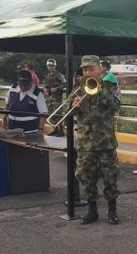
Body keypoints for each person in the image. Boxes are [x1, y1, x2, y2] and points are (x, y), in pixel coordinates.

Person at [63, 55, 121, 225]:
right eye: (85, 70)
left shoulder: (110, 87)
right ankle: (92, 211)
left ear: (99, 69)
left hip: (106, 142)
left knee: (110, 177)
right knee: (86, 177)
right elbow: (66, 110)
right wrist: (74, 105)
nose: (87, 72)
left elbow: (115, 106)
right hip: (86, 142)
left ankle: (112, 211)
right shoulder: (78, 89)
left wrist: (100, 90)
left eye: (91, 69)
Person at [4, 70, 48, 135]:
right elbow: (7, 105)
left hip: (30, 132)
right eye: (21, 85)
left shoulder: (37, 94)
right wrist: (4, 118)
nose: (23, 88)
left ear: (31, 82)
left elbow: (43, 113)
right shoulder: (12, 88)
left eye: (25, 85)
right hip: (12, 130)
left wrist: (40, 129)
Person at [43, 58, 67, 136]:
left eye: (52, 65)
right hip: (49, 98)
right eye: (49, 65)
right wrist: (45, 89)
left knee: (58, 114)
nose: (50, 67)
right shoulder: (47, 75)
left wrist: (57, 88)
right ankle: (55, 130)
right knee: (51, 114)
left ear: (55, 66)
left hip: (57, 98)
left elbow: (65, 84)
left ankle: (61, 131)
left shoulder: (59, 75)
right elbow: (46, 84)